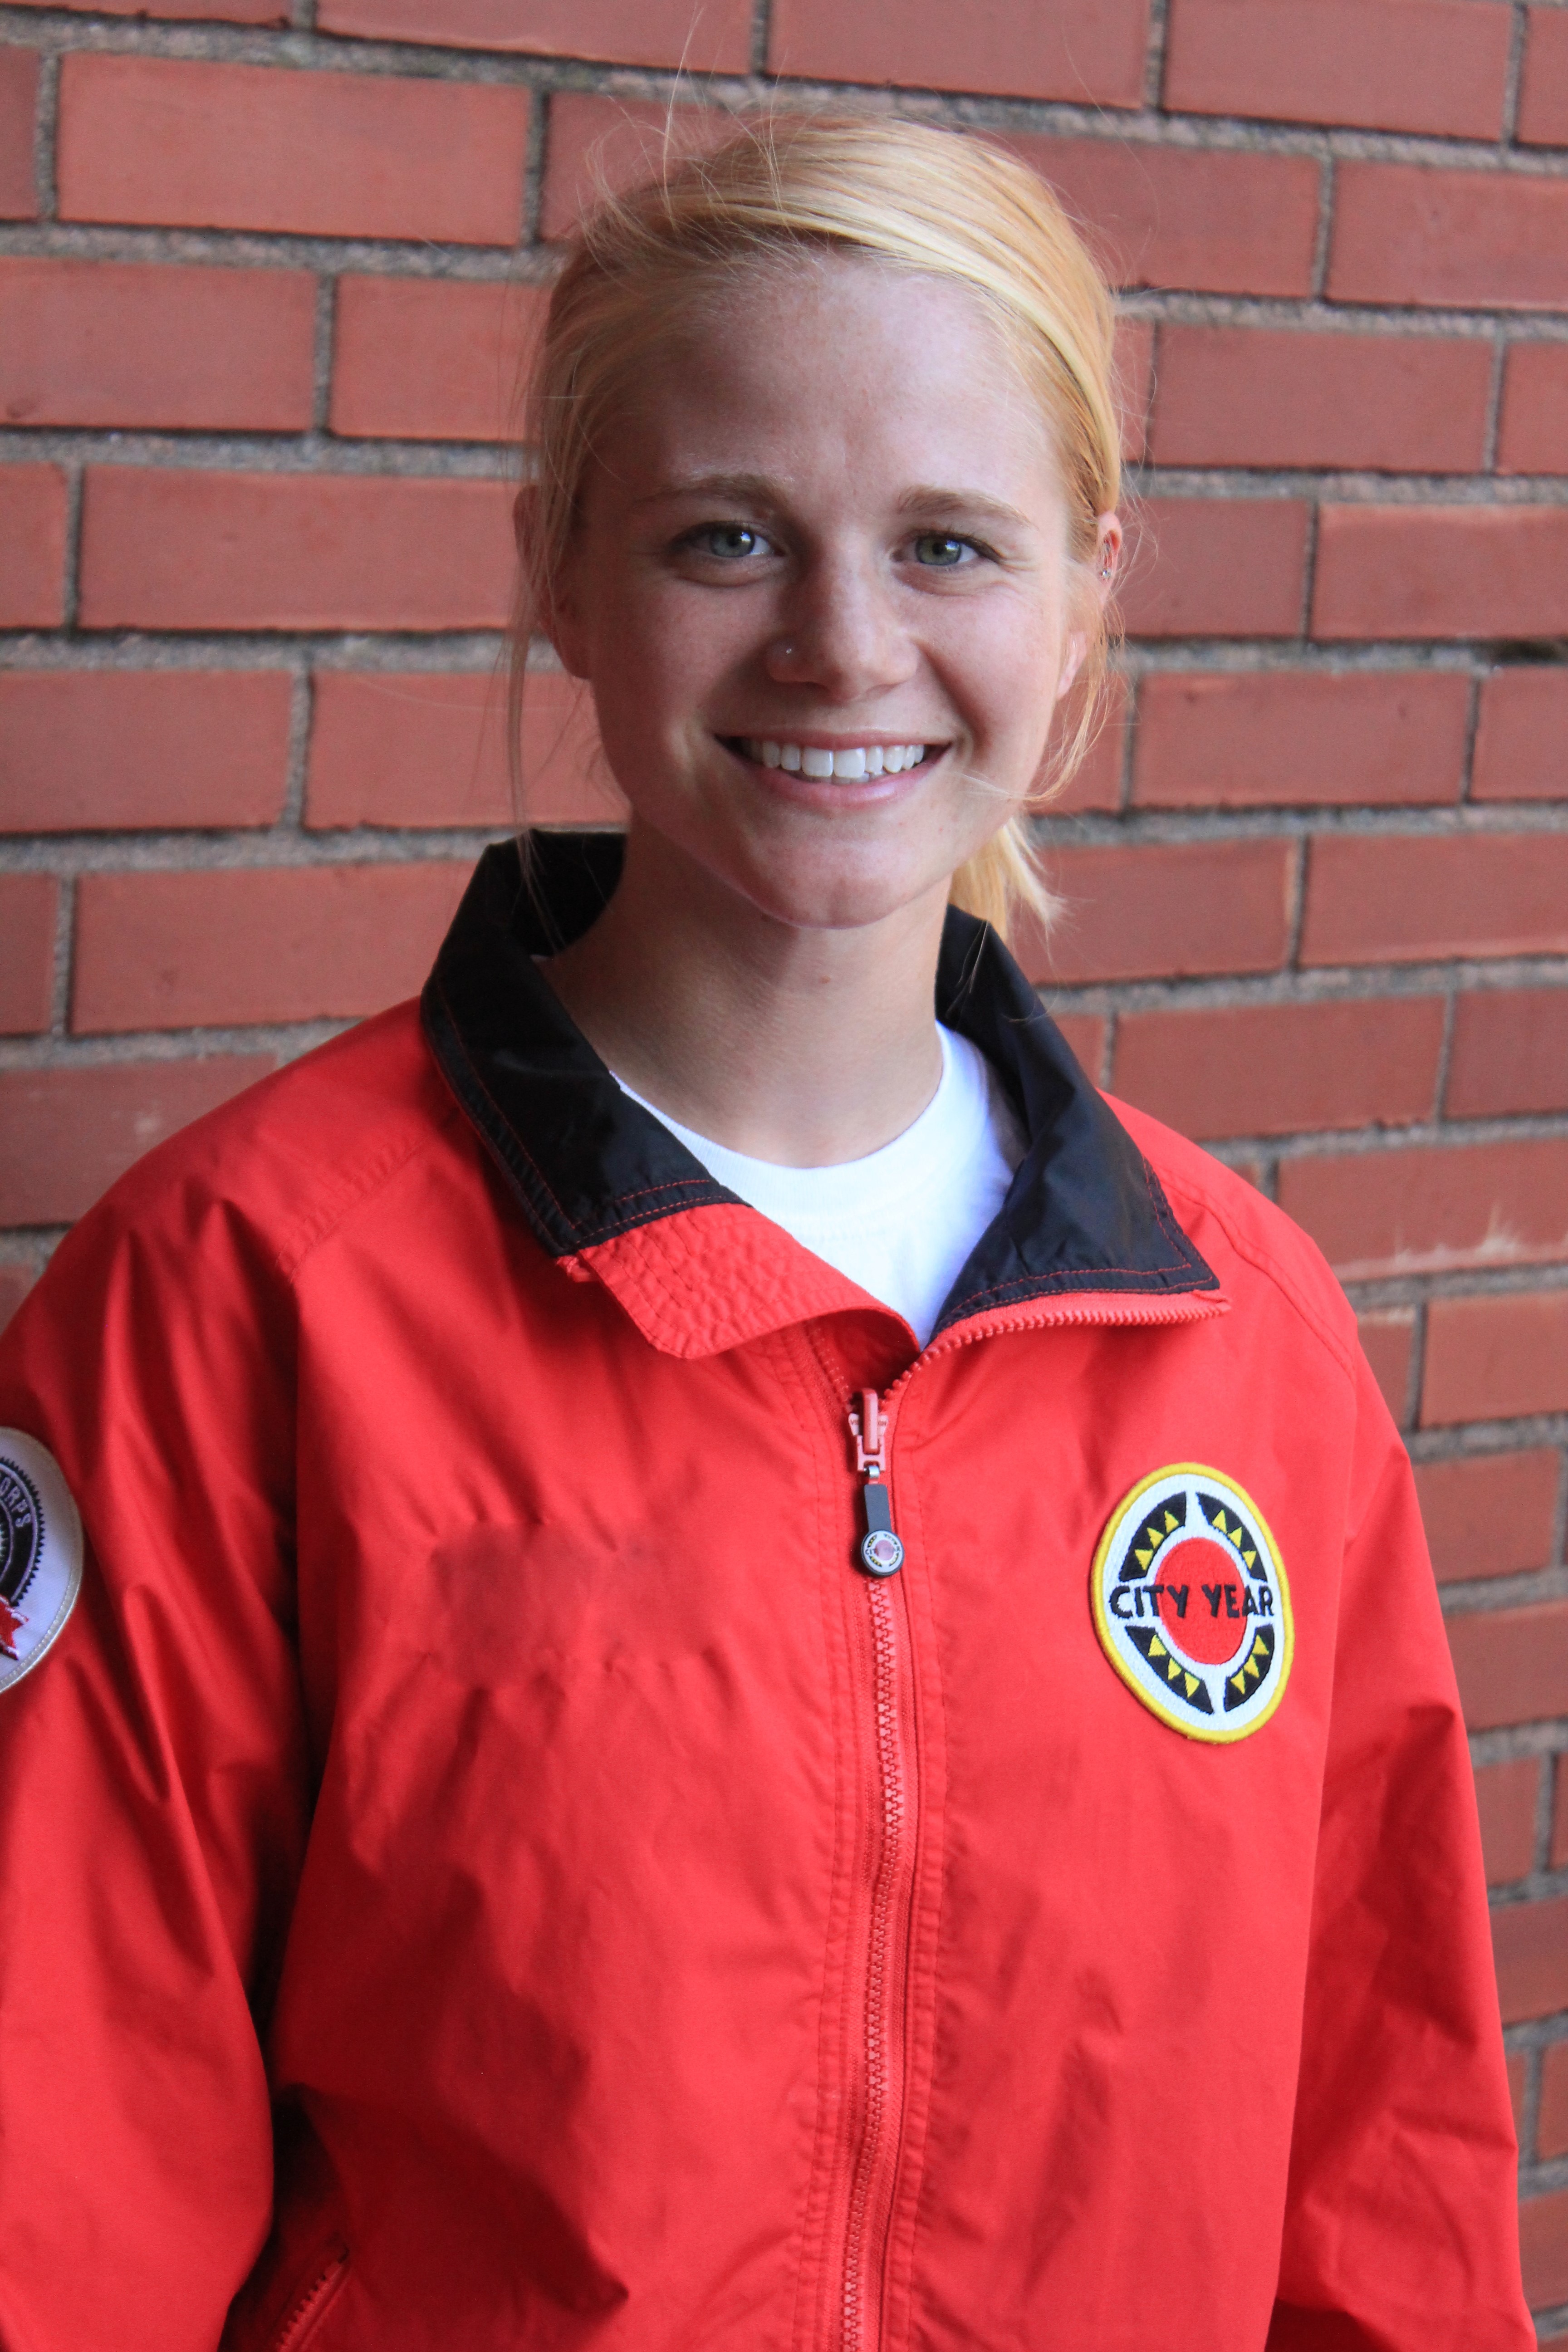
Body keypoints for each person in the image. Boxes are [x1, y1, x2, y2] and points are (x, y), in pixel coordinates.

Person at [0, 115, 1531, 2352]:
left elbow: (1381, 2184)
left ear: (1088, 585)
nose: (843, 646)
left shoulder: (1250, 1349)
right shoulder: (241, 1297)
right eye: (728, 536)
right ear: (562, 572)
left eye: (949, 545)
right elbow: (58, 2189)